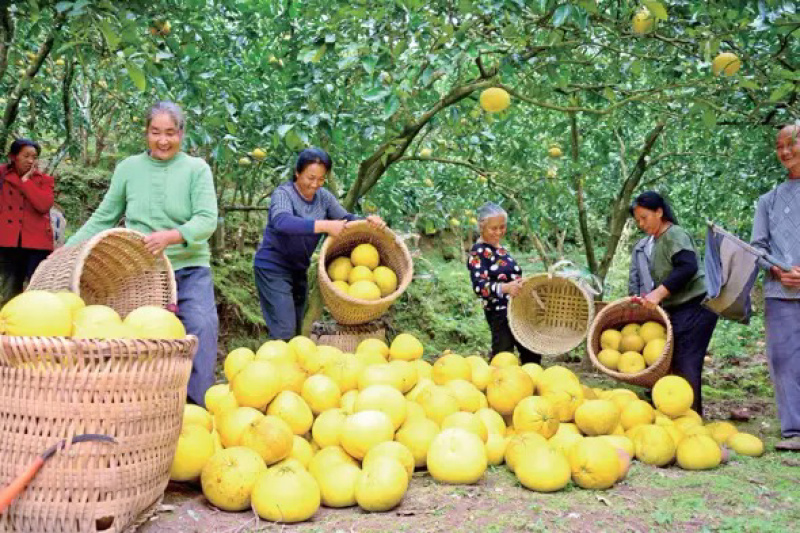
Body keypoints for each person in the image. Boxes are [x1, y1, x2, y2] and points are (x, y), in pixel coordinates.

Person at [67, 101, 218, 408]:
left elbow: (206, 220)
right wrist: (67, 249)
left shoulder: (196, 170)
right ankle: (139, 408)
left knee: (201, 325)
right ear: (146, 133)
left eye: (171, 133)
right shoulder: (128, 169)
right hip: (142, 273)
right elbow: (103, 217)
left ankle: (195, 409)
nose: (163, 140)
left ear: (182, 134)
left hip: (189, 268)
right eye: (155, 132)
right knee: (138, 339)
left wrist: (172, 236)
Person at [254, 147, 385, 340]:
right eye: (310, 177)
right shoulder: (284, 194)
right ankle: (268, 367)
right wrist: (323, 225)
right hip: (272, 268)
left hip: (298, 270)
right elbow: (282, 222)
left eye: (321, 179)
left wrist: (368, 221)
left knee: (296, 331)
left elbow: (346, 220)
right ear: (297, 173)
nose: (315, 184)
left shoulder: (323, 198)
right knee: (284, 331)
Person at [629, 191, 718, 415]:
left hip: (697, 306)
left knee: (687, 361)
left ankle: (692, 418)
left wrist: (658, 294)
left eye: (644, 217)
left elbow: (687, 267)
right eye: (638, 220)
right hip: (679, 308)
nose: (641, 224)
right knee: (674, 361)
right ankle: (678, 414)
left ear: (659, 212)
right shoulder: (657, 241)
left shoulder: (674, 234)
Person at [750, 124, 800, 451]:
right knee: (783, 359)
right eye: (779, 146)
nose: (784, 151)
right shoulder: (768, 201)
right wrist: (779, 270)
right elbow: (757, 247)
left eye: (791, 144)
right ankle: (794, 431)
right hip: (780, 293)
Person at [467, 202, 541, 365]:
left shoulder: (501, 249)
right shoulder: (478, 252)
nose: (499, 232)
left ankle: (531, 385)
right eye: (493, 228)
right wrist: (506, 288)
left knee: (532, 352)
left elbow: (508, 276)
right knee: (503, 355)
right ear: (481, 227)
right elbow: (480, 287)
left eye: (502, 227)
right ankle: (497, 385)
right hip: (499, 313)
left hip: (518, 309)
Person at [0, 138, 55, 305]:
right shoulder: (2, 175)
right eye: (26, 156)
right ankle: (8, 327)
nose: (31, 160)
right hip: (8, 241)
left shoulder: (44, 180)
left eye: (34, 157)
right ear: (13, 156)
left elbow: (43, 205)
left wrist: (26, 182)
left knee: (37, 290)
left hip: (36, 243)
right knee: (9, 291)